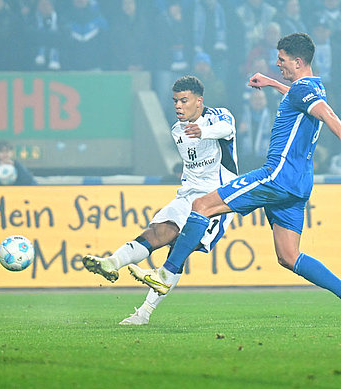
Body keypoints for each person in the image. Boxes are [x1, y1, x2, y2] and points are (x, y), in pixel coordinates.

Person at [130, 33, 341, 302]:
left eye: (282, 59)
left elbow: (328, 115)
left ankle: (166, 274)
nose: (277, 63)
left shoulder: (304, 92)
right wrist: (272, 83)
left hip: (276, 177)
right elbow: (300, 96)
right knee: (289, 256)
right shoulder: (311, 87)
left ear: (298, 62)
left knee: (201, 206)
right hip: (299, 184)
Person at [82, 75, 238, 325]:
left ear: (199, 101)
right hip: (187, 194)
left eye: (184, 100)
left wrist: (204, 131)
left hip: (216, 199)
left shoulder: (219, 116)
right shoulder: (177, 131)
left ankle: (143, 313)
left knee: (178, 249)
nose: (178, 106)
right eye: (175, 101)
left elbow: (227, 130)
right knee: (157, 232)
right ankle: (112, 262)